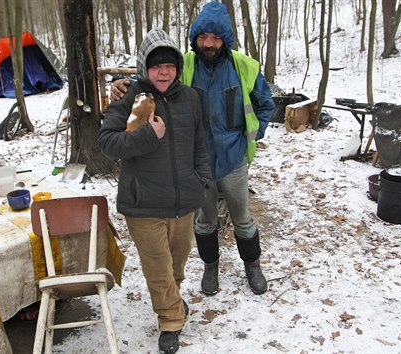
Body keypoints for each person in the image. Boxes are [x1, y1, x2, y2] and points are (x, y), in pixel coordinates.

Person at [110, 2, 275, 296]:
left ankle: (253, 265)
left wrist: (253, 133)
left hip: (233, 157)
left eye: (215, 37)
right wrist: (123, 85)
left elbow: (266, 104)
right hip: (196, 161)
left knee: (243, 217)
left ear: (225, 39)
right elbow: (156, 79)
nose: (208, 43)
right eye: (202, 37)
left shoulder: (244, 67)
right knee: (205, 219)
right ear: (194, 38)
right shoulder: (184, 66)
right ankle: (211, 268)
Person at [99, 28, 211, 354]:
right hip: (143, 204)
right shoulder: (128, 98)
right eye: (155, 65)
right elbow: (107, 144)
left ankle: (170, 301)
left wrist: (202, 181)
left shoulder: (190, 98)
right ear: (142, 67)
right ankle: (170, 320)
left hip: (184, 201)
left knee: (176, 267)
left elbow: (199, 144)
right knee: (158, 269)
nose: (163, 72)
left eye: (170, 65)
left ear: (177, 66)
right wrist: (149, 136)